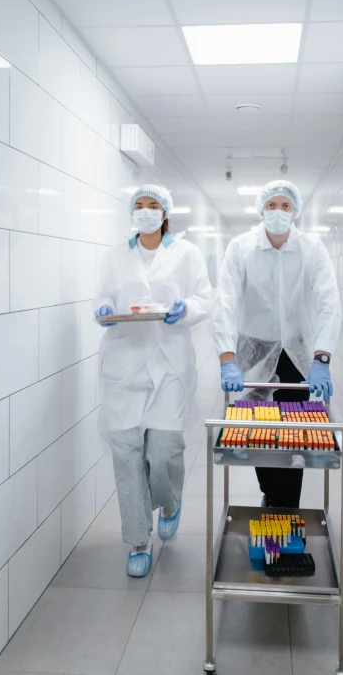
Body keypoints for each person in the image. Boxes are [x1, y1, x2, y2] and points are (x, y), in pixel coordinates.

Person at [93, 184, 213, 577]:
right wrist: (105, 310)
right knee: (126, 455)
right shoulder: (114, 257)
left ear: (165, 213)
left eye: (153, 206)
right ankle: (137, 539)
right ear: (132, 212)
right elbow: (100, 300)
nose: (146, 211)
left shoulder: (186, 253)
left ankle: (171, 501)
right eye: (139, 206)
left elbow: (205, 299)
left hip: (169, 365)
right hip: (124, 365)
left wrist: (188, 308)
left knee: (163, 450)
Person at [213, 180, 341, 508]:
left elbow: (329, 301)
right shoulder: (241, 248)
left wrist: (321, 358)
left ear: (295, 211)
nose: (278, 212)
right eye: (272, 205)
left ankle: (284, 509)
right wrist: (227, 357)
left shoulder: (312, 249)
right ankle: (269, 490)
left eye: (286, 206)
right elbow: (225, 301)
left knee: (291, 433)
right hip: (253, 351)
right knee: (257, 426)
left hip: (296, 354)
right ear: (261, 210)